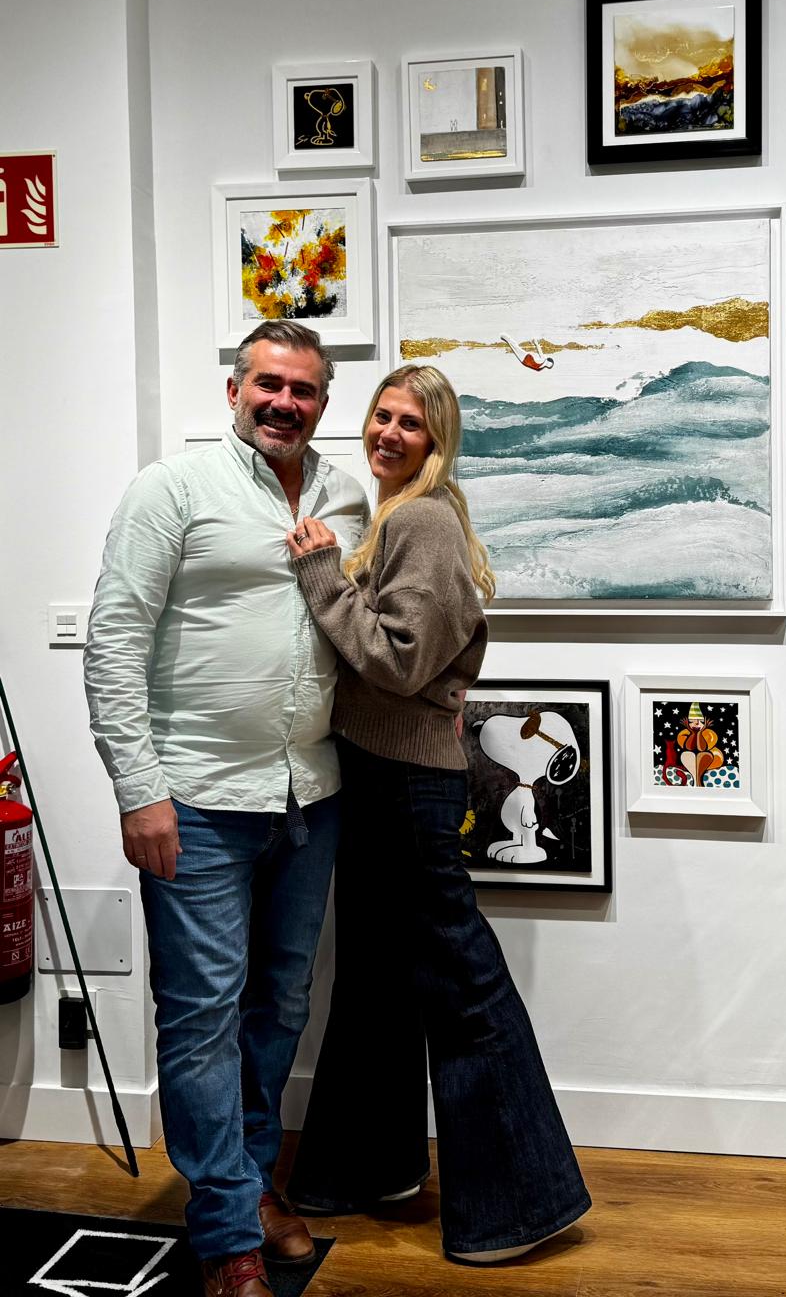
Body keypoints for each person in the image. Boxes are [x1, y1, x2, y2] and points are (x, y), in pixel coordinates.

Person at [280, 363, 590, 1264]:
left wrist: (319, 574)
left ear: (436, 440)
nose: (388, 433)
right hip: (378, 775)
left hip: (411, 784)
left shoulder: (419, 517)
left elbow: (402, 661)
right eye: (381, 415)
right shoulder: (398, 515)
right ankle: (366, 1170)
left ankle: (523, 1201)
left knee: (462, 983)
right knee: (376, 979)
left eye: (409, 423)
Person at [84, 320, 368, 1297]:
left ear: (323, 402)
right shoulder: (173, 489)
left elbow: (356, 627)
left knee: (277, 1005)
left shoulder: (346, 496)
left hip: (309, 793)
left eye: (304, 390)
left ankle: (248, 1185)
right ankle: (225, 1236)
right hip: (195, 800)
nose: (284, 402)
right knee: (200, 1015)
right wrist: (139, 788)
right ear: (235, 389)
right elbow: (113, 639)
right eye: (268, 384)